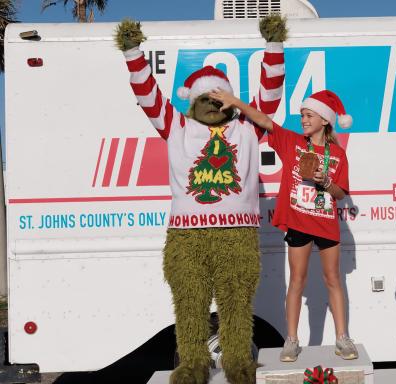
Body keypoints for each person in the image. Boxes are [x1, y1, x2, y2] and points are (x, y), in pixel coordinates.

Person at [114, 16, 287, 384]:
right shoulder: (177, 126)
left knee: (236, 304)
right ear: (192, 102)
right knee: (189, 305)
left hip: (237, 236)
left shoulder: (247, 127)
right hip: (187, 237)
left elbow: (270, 93)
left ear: (228, 100)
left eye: (218, 98)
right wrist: (132, 51)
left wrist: (274, 47)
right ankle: (193, 361)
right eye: (205, 99)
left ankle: (239, 361)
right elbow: (147, 95)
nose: (211, 104)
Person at [209, 88, 359, 362]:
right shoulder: (292, 142)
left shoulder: (337, 153)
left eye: (309, 115)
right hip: (299, 222)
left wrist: (325, 181)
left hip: (326, 224)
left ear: (324, 120)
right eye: (302, 114)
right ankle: (291, 340)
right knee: (297, 281)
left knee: (333, 279)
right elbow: (265, 121)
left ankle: (342, 338)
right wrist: (235, 103)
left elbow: (341, 193)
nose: (303, 119)